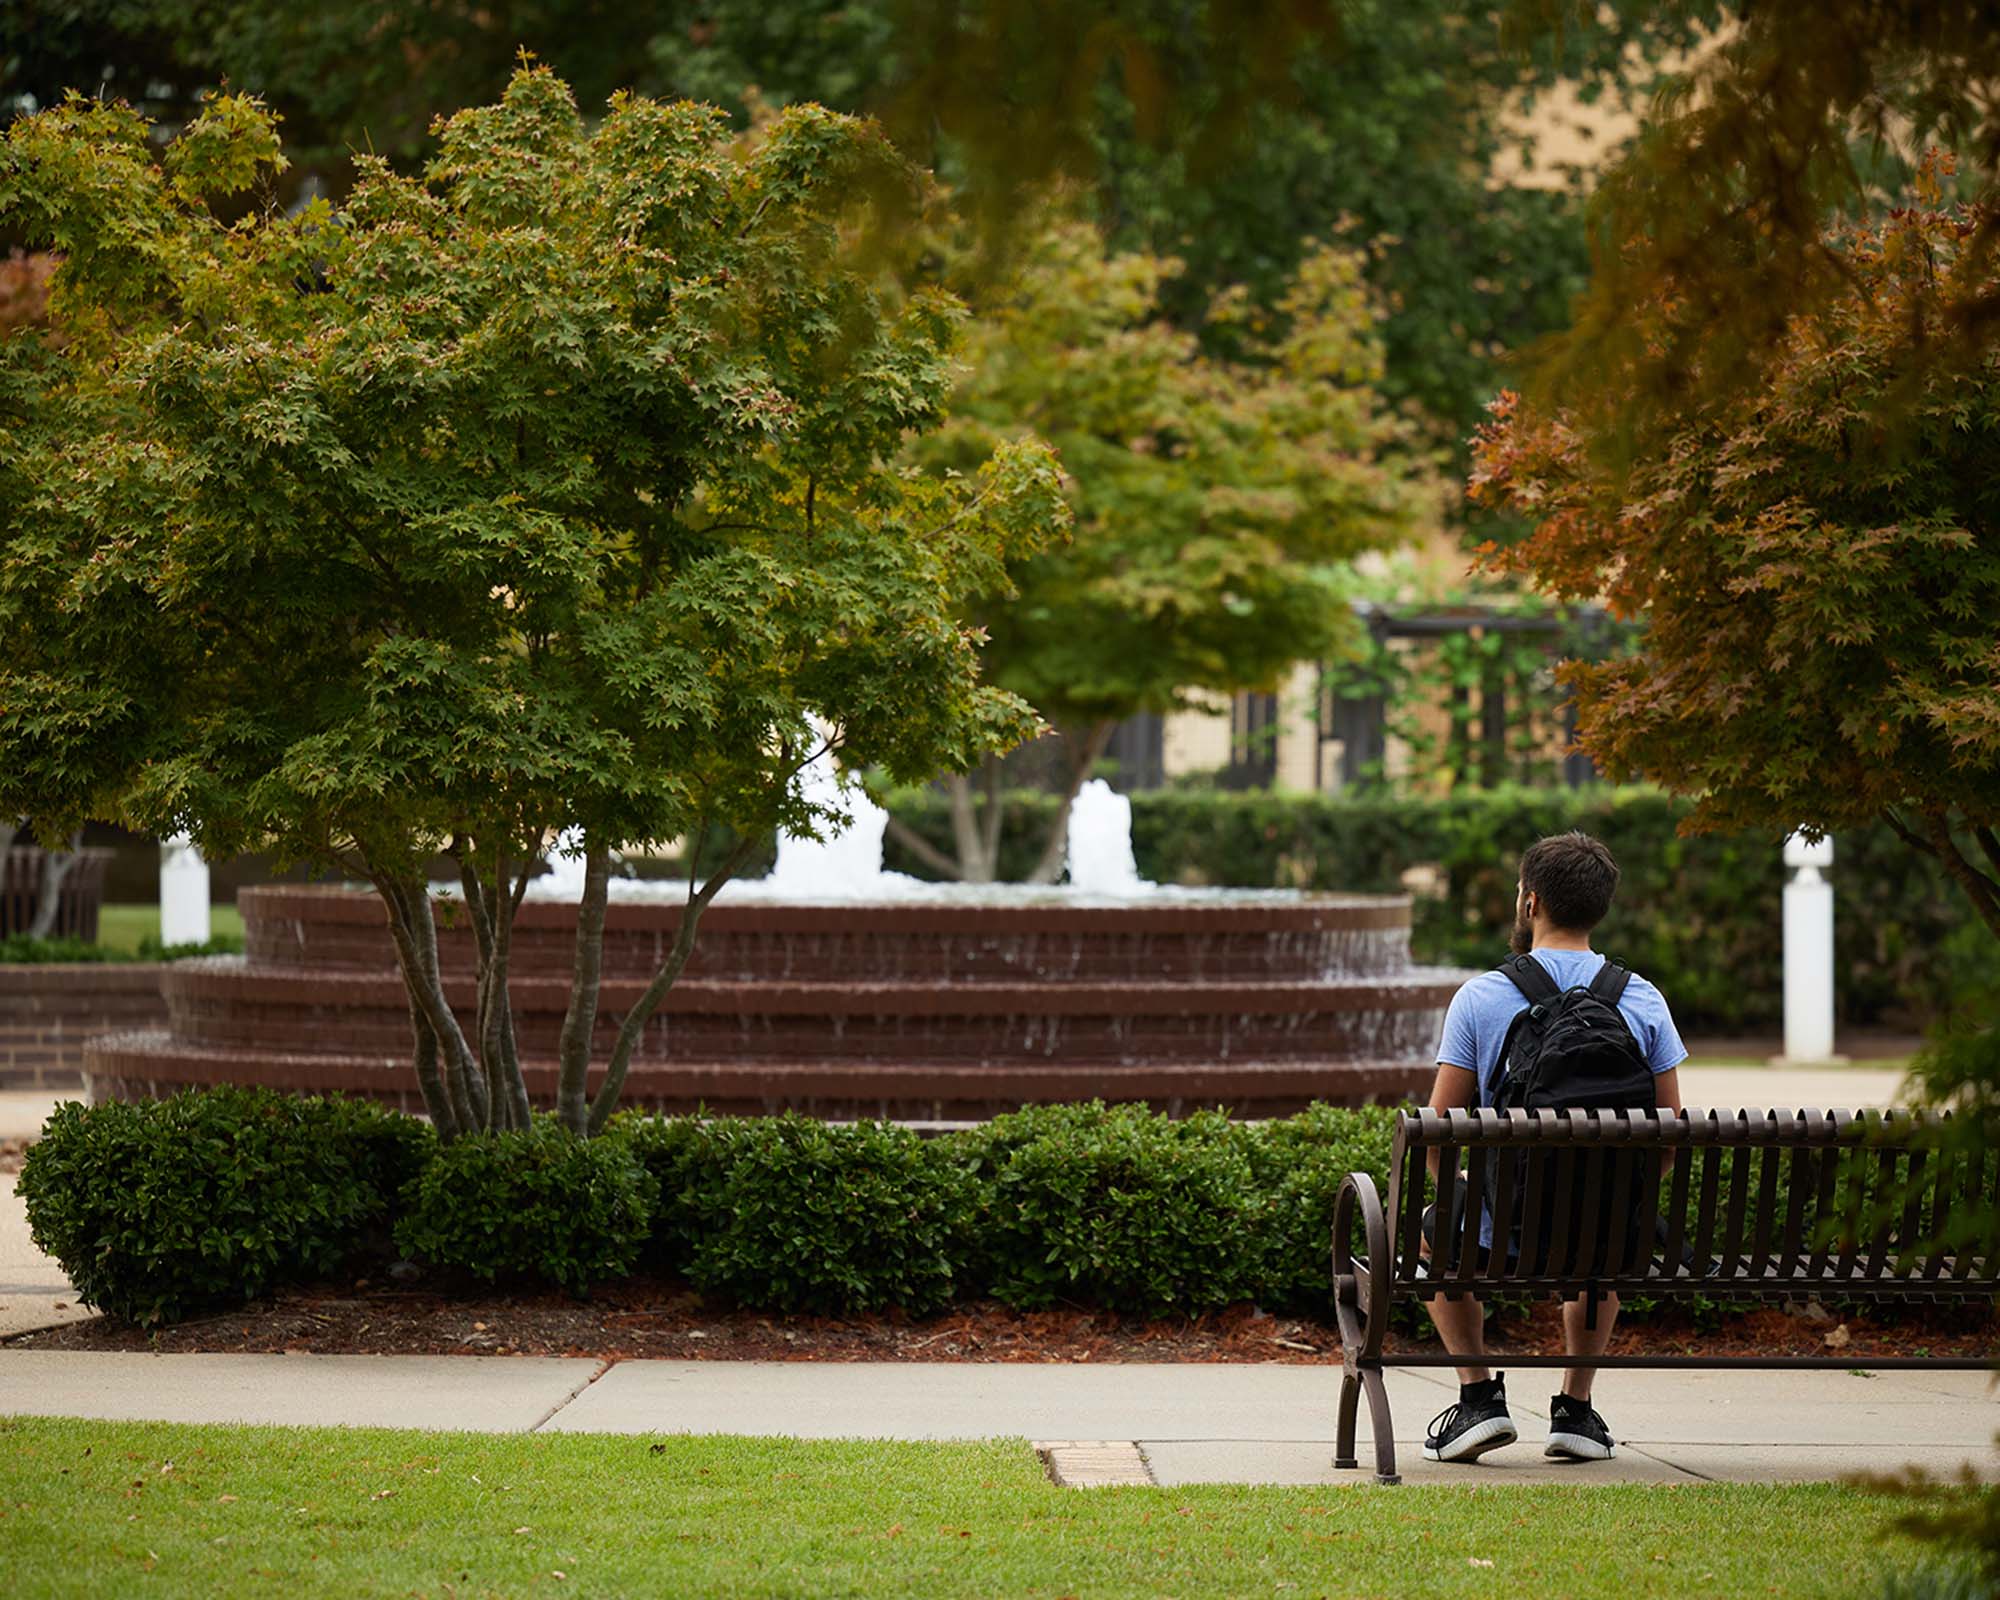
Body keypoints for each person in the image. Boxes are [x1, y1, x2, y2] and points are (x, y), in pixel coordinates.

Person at [1419, 829, 1687, 1466]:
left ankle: (1479, 1399)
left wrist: (1471, 1196)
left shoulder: (1480, 998)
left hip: (1499, 1233)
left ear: (1529, 901)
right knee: (1605, 1226)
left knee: (1432, 1229)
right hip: (1605, 1238)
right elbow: (1670, 1132)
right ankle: (1575, 1410)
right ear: (1600, 908)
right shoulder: (1643, 999)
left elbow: (1439, 1129)